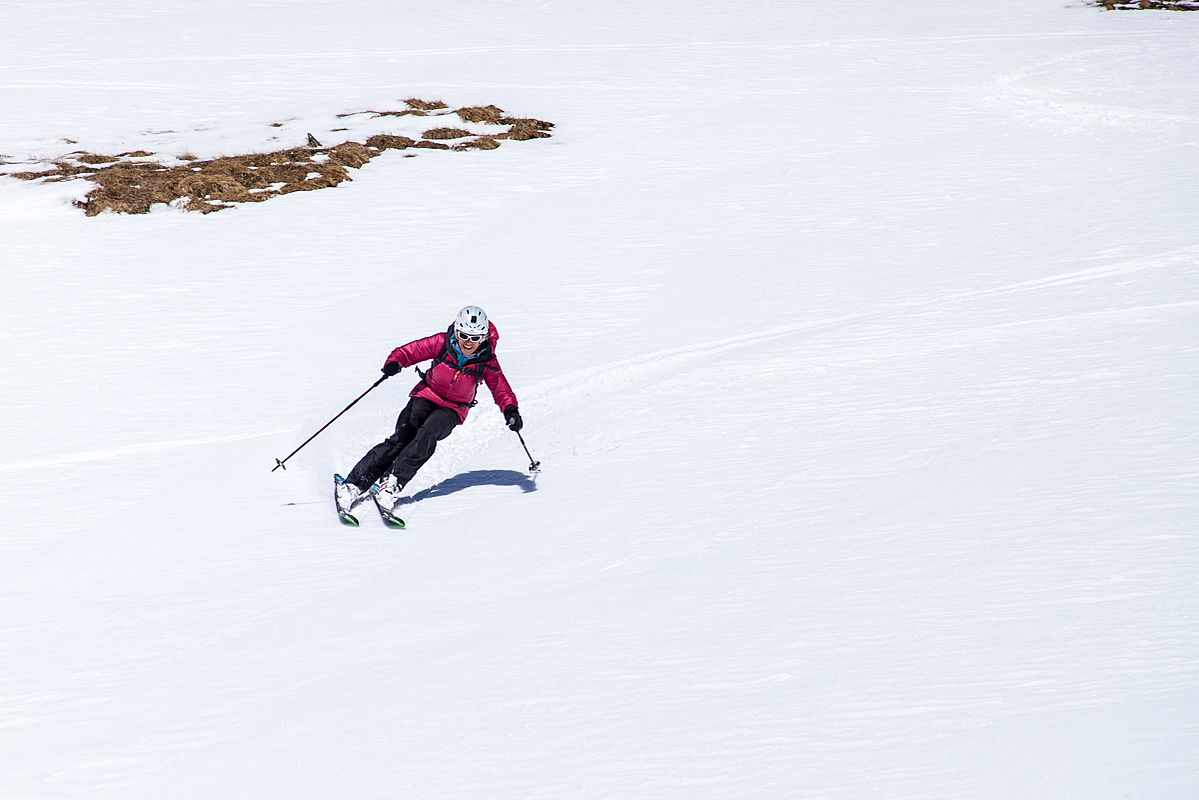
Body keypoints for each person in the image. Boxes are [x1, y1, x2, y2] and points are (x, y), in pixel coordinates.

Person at [336, 305, 523, 511]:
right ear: (457, 330)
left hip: (453, 409)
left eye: (475, 338)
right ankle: (353, 485)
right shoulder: (442, 342)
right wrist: (395, 362)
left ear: (484, 337)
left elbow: (500, 388)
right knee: (402, 438)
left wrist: (510, 410)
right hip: (426, 395)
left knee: (427, 435)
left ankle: (392, 483)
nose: (468, 343)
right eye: (464, 336)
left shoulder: (487, 361)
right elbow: (410, 351)